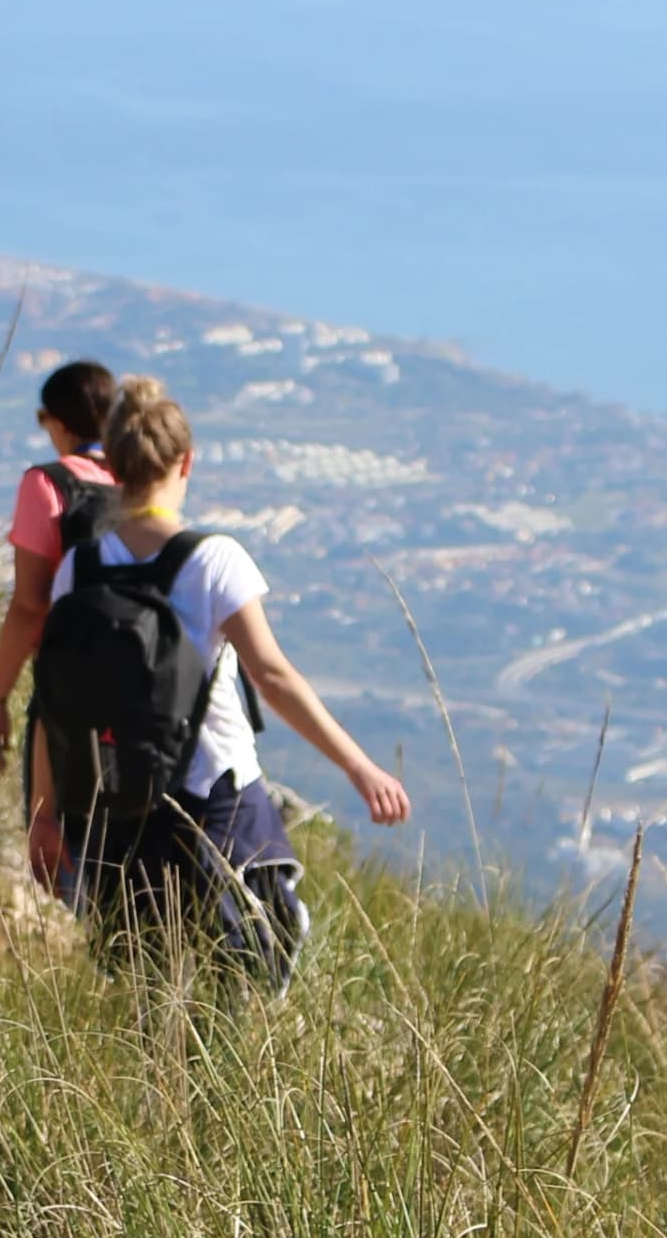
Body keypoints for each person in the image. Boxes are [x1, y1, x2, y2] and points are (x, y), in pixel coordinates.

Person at [31, 375, 408, 977]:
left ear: (117, 465)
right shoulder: (213, 560)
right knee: (254, 957)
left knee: (143, 969)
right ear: (187, 461)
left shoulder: (81, 565)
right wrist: (360, 768)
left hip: (115, 798)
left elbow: (51, 696)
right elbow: (273, 677)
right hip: (214, 792)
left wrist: (45, 813)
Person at [0, 359, 120, 778]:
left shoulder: (46, 484)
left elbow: (29, 607)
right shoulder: (140, 483)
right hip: (147, 686)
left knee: (56, 831)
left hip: (69, 687)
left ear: (59, 423)